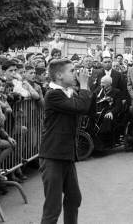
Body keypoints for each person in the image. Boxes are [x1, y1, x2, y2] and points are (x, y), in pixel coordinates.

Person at [39, 58, 92, 224]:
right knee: (53, 208)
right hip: (53, 155)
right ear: (59, 75)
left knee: (74, 198)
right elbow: (80, 107)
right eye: (72, 71)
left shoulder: (69, 92)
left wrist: (85, 87)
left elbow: (87, 107)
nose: (75, 73)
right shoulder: (53, 94)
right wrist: (83, 86)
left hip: (66, 155)